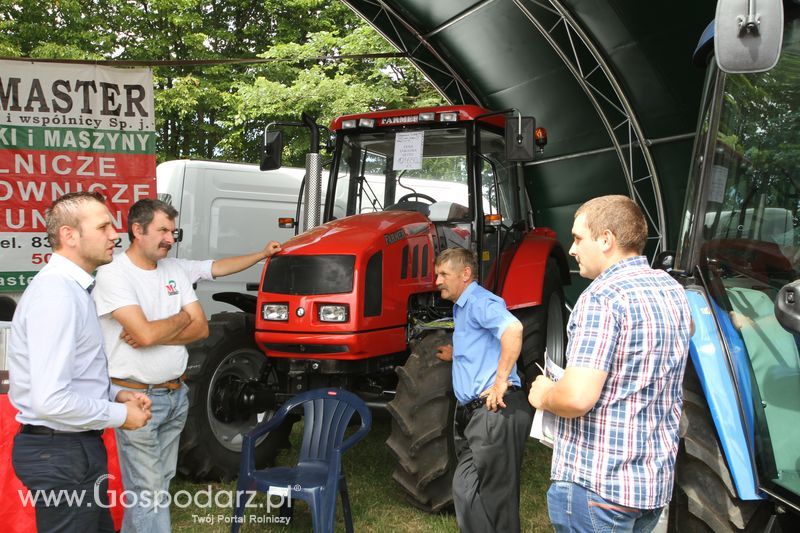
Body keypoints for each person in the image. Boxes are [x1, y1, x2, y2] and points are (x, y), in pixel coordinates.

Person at [528, 195, 692, 532]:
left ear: (606, 239)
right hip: (649, 486)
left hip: (597, 488)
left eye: (577, 238)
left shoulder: (601, 298)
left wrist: (544, 393)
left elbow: (576, 398)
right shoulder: (673, 290)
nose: (571, 250)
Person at [8, 192, 152, 532]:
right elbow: (50, 399)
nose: (115, 235)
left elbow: (70, 376)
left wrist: (115, 393)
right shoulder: (57, 294)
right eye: (103, 226)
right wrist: (121, 416)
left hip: (68, 450)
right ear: (69, 235)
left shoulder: (71, 289)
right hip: (61, 453)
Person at [91, 198, 208, 533]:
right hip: (136, 398)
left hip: (176, 395)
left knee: (157, 485)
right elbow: (145, 330)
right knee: (149, 491)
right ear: (137, 230)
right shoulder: (113, 274)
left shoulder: (173, 269)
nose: (170, 238)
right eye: (162, 230)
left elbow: (201, 328)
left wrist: (154, 334)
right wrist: (180, 318)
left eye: (172, 231)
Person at [433, 247, 532, 533]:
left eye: (443, 274)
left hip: (496, 409)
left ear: (465, 274)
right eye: (436, 274)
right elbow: (482, 343)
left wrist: (501, 380)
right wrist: (457, 353)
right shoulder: (463, 307)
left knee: (495, 498)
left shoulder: (478, 301)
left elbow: (512, 329)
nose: (437, 280)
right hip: (481, 416)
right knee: (466, 489)